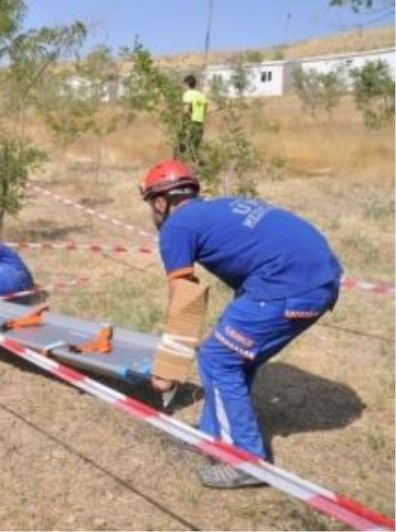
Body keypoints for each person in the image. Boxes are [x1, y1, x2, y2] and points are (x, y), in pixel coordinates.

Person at [139, 159, 343, 489]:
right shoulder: (221, 207)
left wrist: (169, 368)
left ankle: (245, 462)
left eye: (151, 204)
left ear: (161, 201)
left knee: (218, 359)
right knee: (233, 354)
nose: (152, 212)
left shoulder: (176, 228)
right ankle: (213, 436)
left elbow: (184, 299)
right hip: (319, 279)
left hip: (284, 286)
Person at [178, 74, 207, 159]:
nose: (183, 86)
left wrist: (182, 123)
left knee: (181, 146)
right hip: (200, 124)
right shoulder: (201, 95)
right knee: (193, 148)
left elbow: (186, 110)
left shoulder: (187, 94)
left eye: (184, 84)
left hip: (190, 123)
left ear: (187, 84)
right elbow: (205, 108)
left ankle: (178, 165)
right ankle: (201, 167)